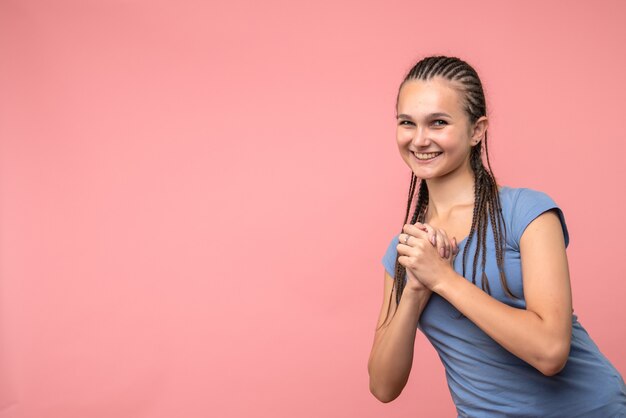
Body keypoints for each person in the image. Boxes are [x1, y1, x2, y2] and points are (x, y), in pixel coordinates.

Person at [367, 55, 626, 417]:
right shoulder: (407, 250)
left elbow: (551, 352)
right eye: (407, 123)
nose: (420, 139)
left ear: (477, 130)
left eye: (438, 122)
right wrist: (415, 288)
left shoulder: (528, 212)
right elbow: (382, 386)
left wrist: (442, 278)